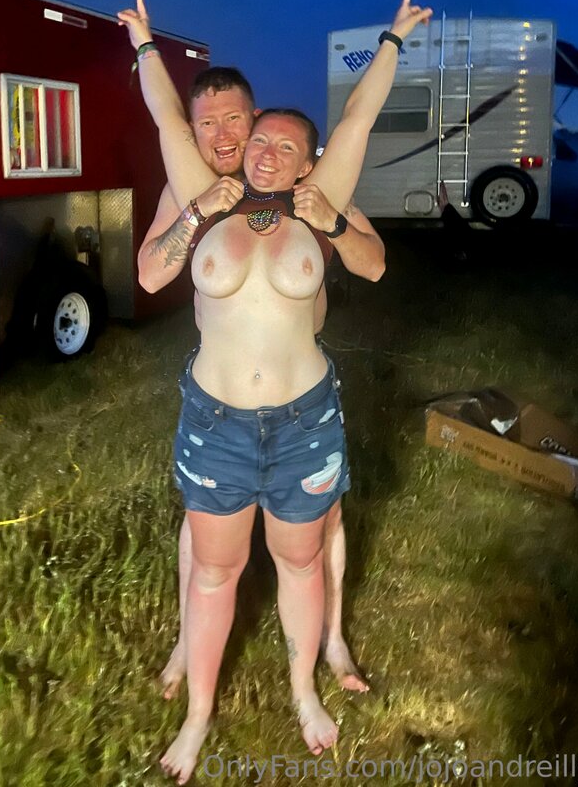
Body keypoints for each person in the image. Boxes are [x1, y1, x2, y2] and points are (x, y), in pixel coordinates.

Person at [118, 0, 432, 785]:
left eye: (284, 145)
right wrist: (144, 43)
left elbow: (358, 118)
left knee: (301, 560)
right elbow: (166, 117)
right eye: (256, 140)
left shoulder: (320, 202)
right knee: (213, 568)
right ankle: (198, 716)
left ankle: (303, 690)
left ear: (309, 160)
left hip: (303, 421)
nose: (262, 151)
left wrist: (393, 39)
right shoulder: (203, 190)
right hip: (216, 421)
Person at [137, 65, 384, 699]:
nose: (224, 136)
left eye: (234, 122)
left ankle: (330, 640)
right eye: (208, 124)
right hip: (218, 408)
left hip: (301, 401)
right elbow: (151, 271)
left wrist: (331, 222)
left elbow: (372, 256)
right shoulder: (196, 188)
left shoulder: (312, 188)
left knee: (319, 531)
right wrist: (142, 43)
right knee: (205, 542)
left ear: (254, 122)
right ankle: (189, 647)